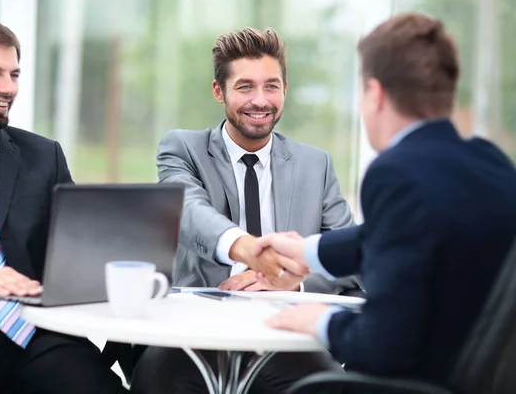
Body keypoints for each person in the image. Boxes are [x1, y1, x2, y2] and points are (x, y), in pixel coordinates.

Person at [253, 12, 516, 388]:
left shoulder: (396, 172)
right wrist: (306, 251)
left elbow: (381, 345)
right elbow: (400, 233)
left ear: (375, 94)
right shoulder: (490, 163)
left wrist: (318, 320)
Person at [131, 27, 354, 394]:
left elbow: (347, 257)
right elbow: (188, 211)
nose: (260, 100)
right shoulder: (182, 148)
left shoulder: (316, 164)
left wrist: (291, 279)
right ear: (219, 91)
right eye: (245, 87)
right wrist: (252, 252)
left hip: (284, 330)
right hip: (192, 334)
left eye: (271, 86)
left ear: (285, 88)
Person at [0, 17, 126, 393]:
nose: (8, 87)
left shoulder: (45, 156)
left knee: (94, 385)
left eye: (14, 74)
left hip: (35, 336)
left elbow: (78, 249)